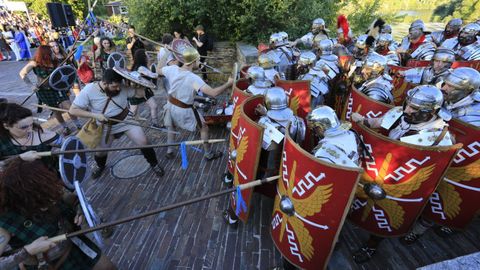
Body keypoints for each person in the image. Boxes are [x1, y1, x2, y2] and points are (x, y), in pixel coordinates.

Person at [350, 85, 453, 262]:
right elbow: (376, 123)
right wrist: (361, 120)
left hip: (403, 181)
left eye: (414, 108)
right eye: (408, 104)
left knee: (385, 213)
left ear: (430, 112)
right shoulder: (400, 113)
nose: (407, 109)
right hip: (381, 170)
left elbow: (434, 170)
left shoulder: (439, 137)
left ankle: (373, 243)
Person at [400, 67, 480, 245]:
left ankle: (421, 228)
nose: (444, 88)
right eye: (446, 83)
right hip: (432, 149)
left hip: (459, 161)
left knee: (443, 197)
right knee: (424, 190)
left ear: (468, 91)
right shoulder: (442, 94)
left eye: (451, 87)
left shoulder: (477, 114)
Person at [0, 159, 116, 269]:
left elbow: (75, 201)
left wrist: (80, 211)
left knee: (107, 267)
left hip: (75, 245)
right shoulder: (6, 220)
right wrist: (29, 250)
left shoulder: (46, 189)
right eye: (37, 194)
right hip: (48, 265)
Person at [223, 87, 306, 226]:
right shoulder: (297, 121)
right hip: (286, 171)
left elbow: (253, 149)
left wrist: (265, 116)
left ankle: (232, 216)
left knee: (241, 184)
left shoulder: (264, 123)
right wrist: (267, 113)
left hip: (262, 171)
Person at [69, 68, 164, 179]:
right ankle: (100, 166)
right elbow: (73, 110)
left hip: (126, 121)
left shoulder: (120, 86)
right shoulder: (89, 90)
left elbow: (140, 93)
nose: (118, 88)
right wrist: (95, 116)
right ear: (104, 83)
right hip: (105, 126)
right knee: (100, 152)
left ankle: (154, 164)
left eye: (119, 85)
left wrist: (140, 82)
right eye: (114, 86)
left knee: (144, 141)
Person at [157, 47, 233, 160]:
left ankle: (170, 151)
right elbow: (213, 93)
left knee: (171, 126)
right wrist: (229, 83)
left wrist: (166, 53)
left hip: (170, 106)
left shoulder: (172, 69)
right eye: (198, 60)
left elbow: (158, 69)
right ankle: (208, 154)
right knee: (204, 128)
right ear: (194, 62)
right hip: (184, 110)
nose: (199, 62)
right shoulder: (193, 78)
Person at [19, 45, 82, 135]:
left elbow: (65, 72)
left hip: (58, 89)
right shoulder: (35, 63)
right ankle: (65, 127)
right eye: (51, 52)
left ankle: (78, 125)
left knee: (68, 107)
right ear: (45, 54)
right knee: (56, 110)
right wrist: (31, 86)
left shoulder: (55, 61)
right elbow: (22, 73)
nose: (53, 53)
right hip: (45, 91)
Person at [0, 102, 62, 170]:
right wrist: (20, 158)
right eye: (24, 127)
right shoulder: (2, 141)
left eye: (31, 124)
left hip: (50, 175)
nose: (30, 130)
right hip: (16, 178)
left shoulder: (43, 134)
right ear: (6, 126)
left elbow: (70, 146)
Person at [128, 49, 159, 126]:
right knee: (133, 111)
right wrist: (162, 71)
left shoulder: (139, 66)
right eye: (146, 55)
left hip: (145, 91)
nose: (148, 56)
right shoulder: (141, 68)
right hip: (136, 92)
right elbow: (153, 75)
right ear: (143, 57)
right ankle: (127, 124)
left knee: (154, 106)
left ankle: (155, 123)